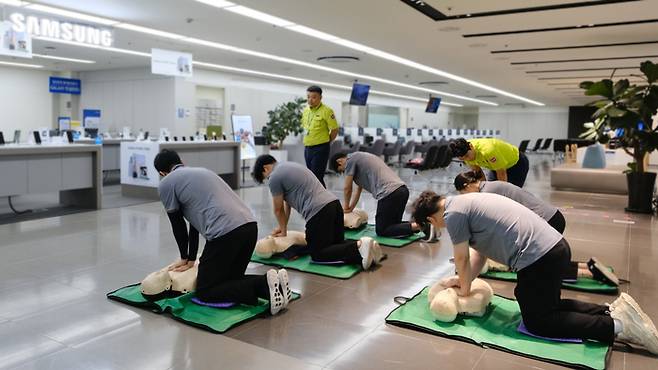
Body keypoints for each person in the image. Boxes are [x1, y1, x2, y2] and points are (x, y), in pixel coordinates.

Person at [410, 190, 658, 353]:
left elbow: (461, 258)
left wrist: (463, 289)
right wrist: (463, 282)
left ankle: (618, 326)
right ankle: (611, 310)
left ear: (431, 219)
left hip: (540, 257)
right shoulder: (464, 201)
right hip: (553, 249)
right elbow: (478, 256)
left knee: (539, 321)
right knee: (544, 303)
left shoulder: (453, 214)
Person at [154, 149, 290, 315]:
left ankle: (262, 283)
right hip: (250, 227)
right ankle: (273, 286)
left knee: (206, 290)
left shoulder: (166, 183)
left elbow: (178, 225)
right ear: (180, 160)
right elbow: (194, 224)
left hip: (226, 234)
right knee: (230, 280)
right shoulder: (202, 172)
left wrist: (184, 258)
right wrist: (190, 259)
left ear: (162, 172)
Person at [453, 170, 619, 285]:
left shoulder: (487, 194)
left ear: (467, 185)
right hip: (552, 216)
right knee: (546, 260)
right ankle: (589, 266)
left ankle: (591, 274)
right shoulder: (491, 186)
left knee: (541, 267)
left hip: (546, 221)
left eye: (463, 194)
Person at [252, 154, 384, 270]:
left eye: (264, 177)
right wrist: (283, 229)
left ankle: (359, 246)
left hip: (319, 212)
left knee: (318, 254)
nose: (267, 180)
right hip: (334, 205)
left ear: (265, 169)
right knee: (334, 245)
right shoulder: (289, 166)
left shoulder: (274, 177)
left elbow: (278, 208)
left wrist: (282, 230)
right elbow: (287, 205)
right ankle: (369, 247)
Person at [329, 151, 425, 238]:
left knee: (382, 230)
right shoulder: (360, 158)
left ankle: (421, 226)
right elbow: (358, 190)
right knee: (394, 225)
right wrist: (350, 209)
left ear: (340, 161)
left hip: (389, 194)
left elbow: (347, 189)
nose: (344, 173)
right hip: (402, 190)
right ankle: (420, 224)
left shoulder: (350, 161)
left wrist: (345, 208)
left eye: (341, 170)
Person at [450, 137, 529, 187]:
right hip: (497, 167)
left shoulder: (488, 151)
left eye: (467, 156)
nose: (467, 160)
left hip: (517, 164)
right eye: (463, 159)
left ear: (471, 146)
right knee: (490, 191)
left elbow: (501, 173)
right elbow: (478, 173)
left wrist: (503, 195)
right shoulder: (464, 152)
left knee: (511, 195)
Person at [302, 85, 339, 187]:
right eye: (308, 96)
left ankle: (324, 201)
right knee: (310, 176)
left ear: (320, 98)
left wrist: (326, 142)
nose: (310, 99)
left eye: (314, 97)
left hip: (320, 148)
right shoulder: (306, 111)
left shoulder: (327, 111)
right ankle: (315, 199)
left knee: (317, 177)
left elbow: (335, 129)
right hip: (307, 147)